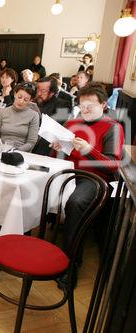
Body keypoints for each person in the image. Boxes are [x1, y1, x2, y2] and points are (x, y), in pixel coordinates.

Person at [50, 83, 124, 287]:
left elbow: (112, 165)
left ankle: (71, 265)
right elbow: (61, 153)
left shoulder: (113, 127)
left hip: (95, 178)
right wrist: (57, 146)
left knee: (75, 203)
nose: (86, 109)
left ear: (103, 104)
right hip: (66, 171)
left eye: (91, 105)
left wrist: (90, 149)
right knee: (35, 185)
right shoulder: (73, 123)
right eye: (83, 105)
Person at [0, 83, 40, 152]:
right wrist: (0, 147)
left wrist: (16, 150)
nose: (21, 101)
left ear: (30, 100)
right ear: (15, 94)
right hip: (1, 149)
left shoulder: (34, 115)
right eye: (19, 97)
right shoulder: (3, 112)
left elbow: (31, 142)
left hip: (20, 153)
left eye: (26, 100)